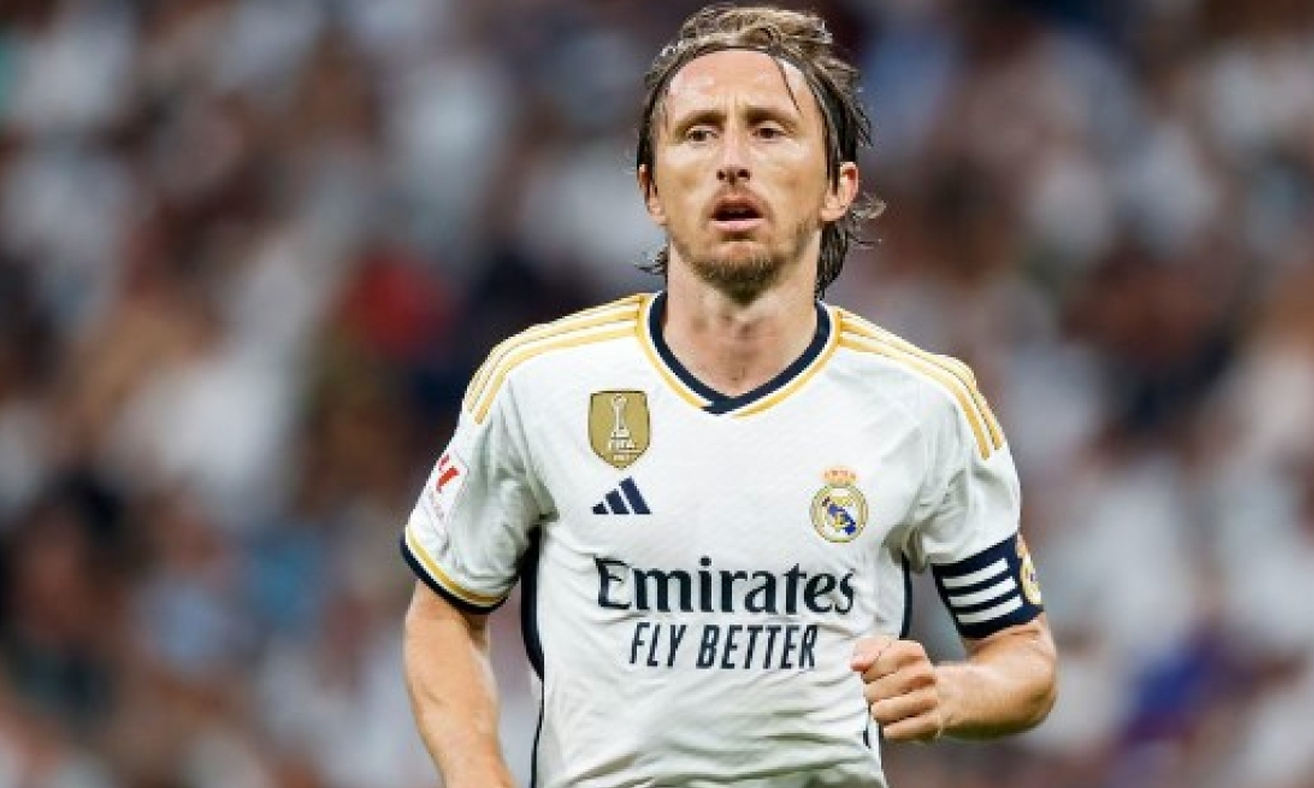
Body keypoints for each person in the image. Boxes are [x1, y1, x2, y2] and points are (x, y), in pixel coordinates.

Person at [400, 5, 1057, 787]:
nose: (733, 162)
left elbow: (1024, 656)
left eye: (769, 131)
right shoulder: (539, 384)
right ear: (651, 190)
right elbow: (444, 611)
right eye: (699, 133)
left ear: (838, 186)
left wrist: (951, 693)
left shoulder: (924, 403)